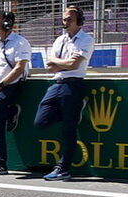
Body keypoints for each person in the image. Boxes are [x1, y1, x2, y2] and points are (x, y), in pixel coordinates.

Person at [35, 6, 93, 181]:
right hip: (57, 83)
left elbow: (73, 66)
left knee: (69, 129)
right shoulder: (59, 40)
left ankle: (63, 168)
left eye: (69, 19)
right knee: (40, 121)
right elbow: (49, 65)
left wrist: (59, 63)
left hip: (73, 84)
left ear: (79, 21)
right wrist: (63, 63)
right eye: (64, 19)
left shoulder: (86, 39)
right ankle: (73, 112)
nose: (65, 22)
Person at [0, 12, 31, 175]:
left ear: (8, 24)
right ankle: (0, 164)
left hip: (11, 87)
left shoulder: (20, 42)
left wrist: (1, 85)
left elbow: (19, 68)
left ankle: (11, 111)